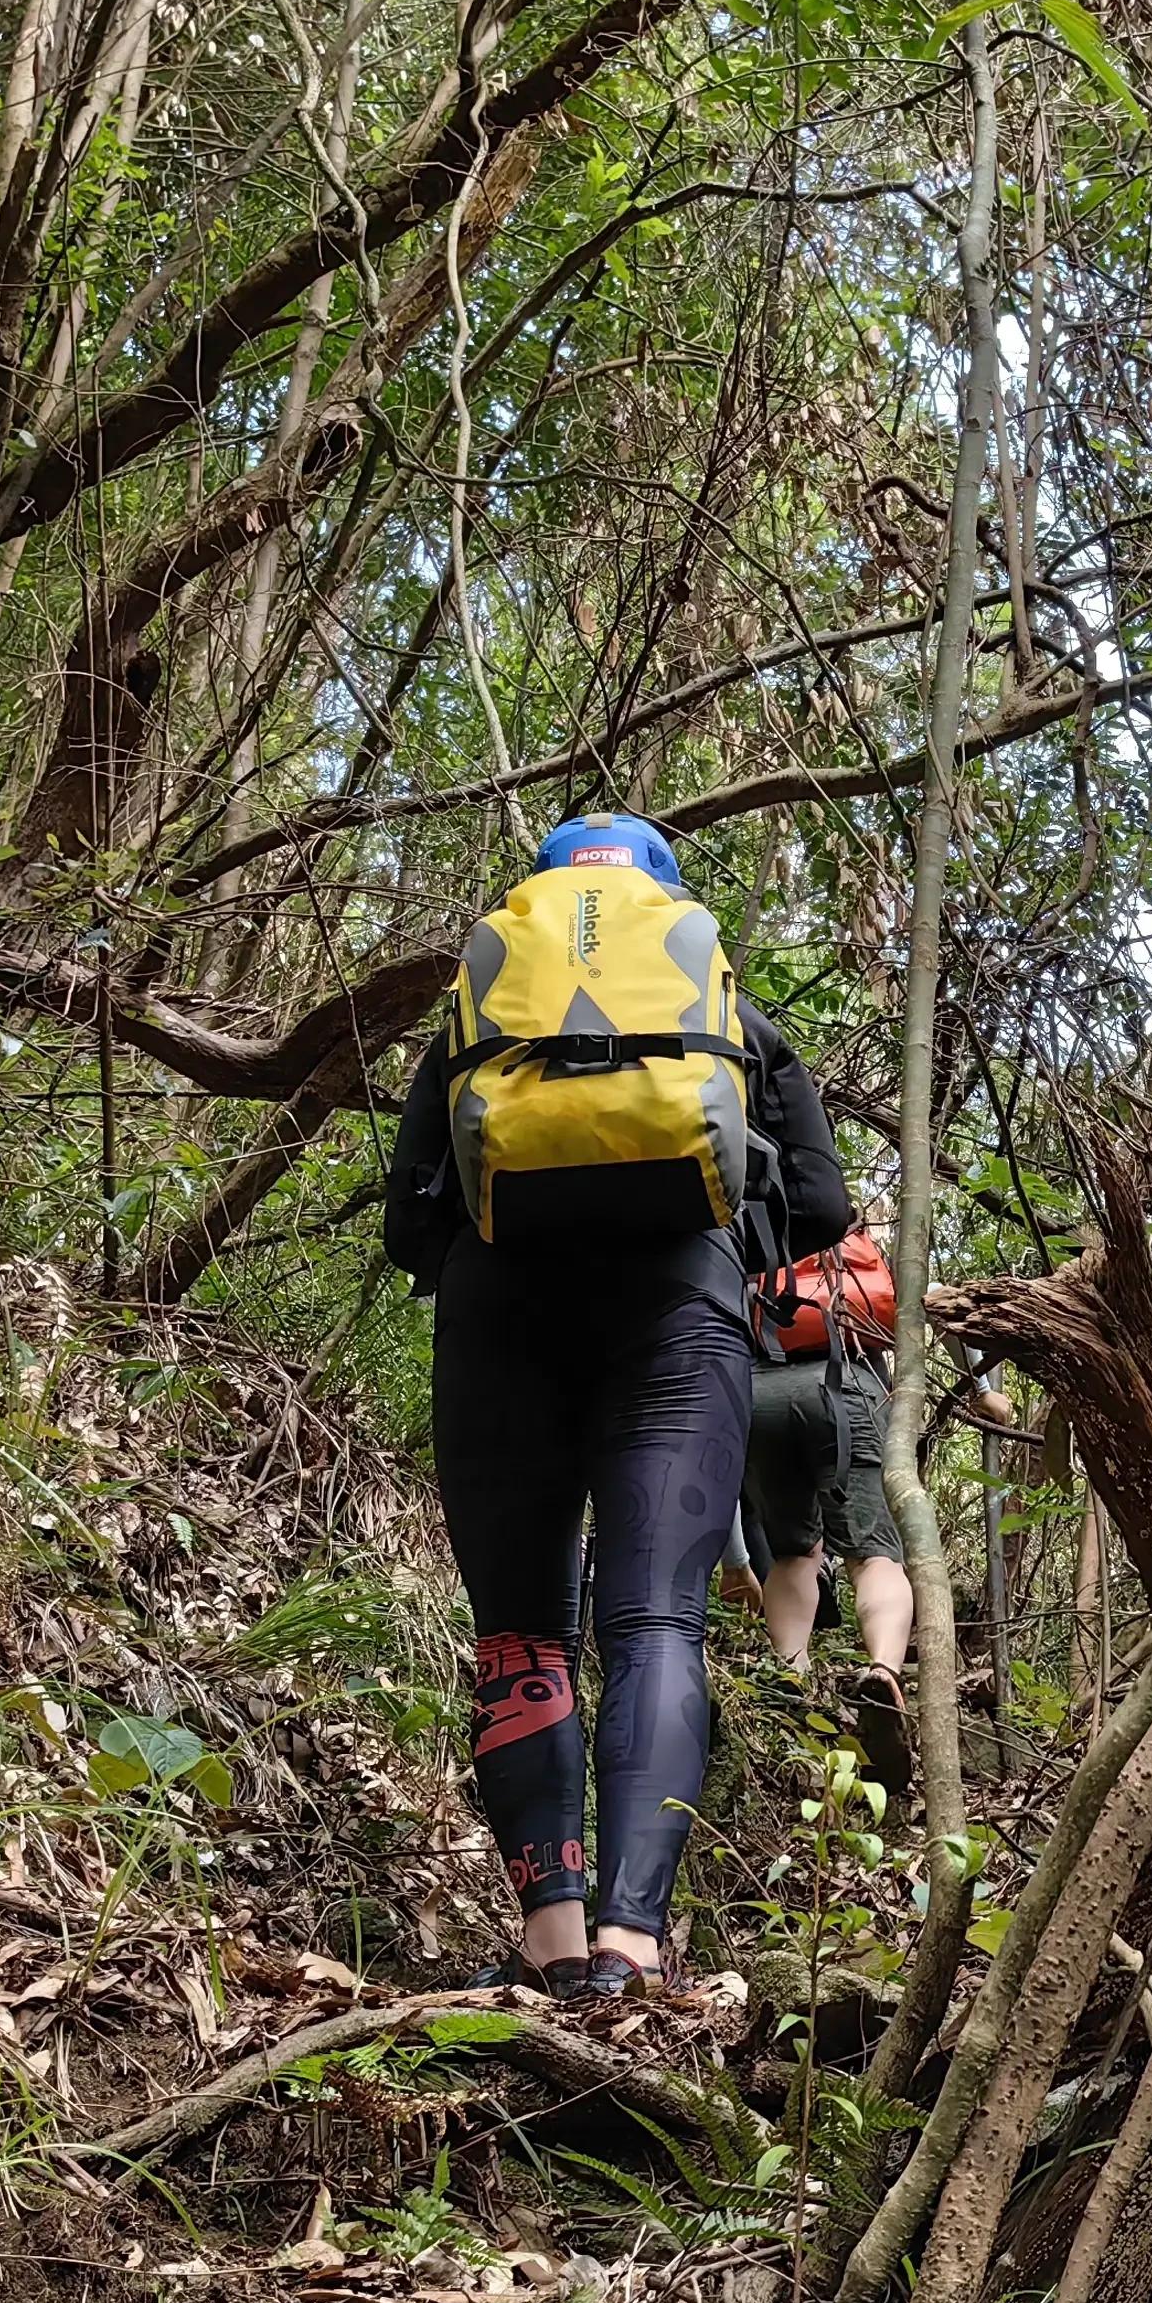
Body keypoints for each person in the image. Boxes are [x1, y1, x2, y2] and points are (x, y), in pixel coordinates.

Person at [381, 812, 852, 2005]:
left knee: (522, 1633)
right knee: (655, 1624)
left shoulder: (480, 1019)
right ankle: (631, 1949)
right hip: (678, 1319)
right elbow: (823, 1208)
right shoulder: (724, 1017)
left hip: (498, 1321)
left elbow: (408, 1228)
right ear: (667, 904)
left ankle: (549, 1938)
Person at [741, 1231, 912, 1774]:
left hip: (756, 1393)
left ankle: (790, 1676)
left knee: (794, 1552)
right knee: (874, 1554)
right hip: (845, 1386)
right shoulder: (856, 1241)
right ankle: (883, 1673)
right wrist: (982, 1393)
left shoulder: (747, 1236)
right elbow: (925, 1300)